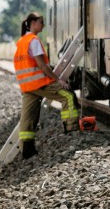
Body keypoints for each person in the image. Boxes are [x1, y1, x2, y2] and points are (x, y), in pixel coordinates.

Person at [13, 12, 80, 159]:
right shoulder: (34, 40)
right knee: (68, 96)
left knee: (28, 117)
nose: (43, 25)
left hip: (26, 86)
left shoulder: (22, 41)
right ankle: (72, 130)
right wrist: (58, 80)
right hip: (38, 83)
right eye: (41, 22)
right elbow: (42, 66)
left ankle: (27, 150)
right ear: (33, 23)